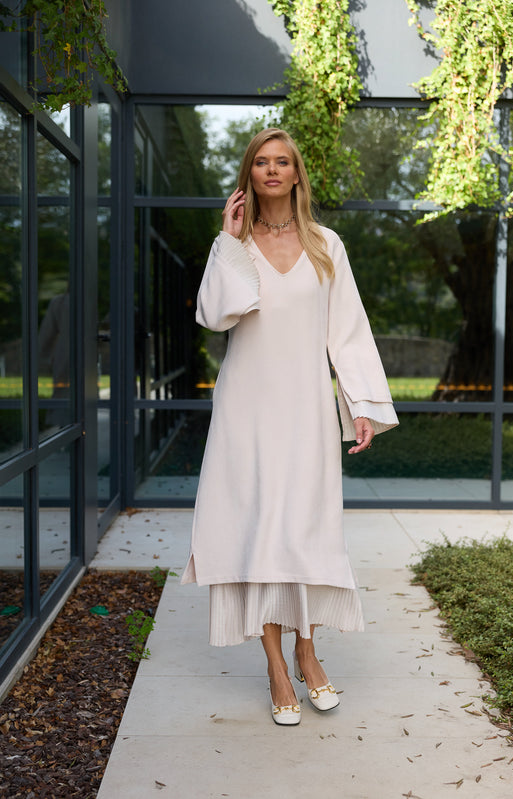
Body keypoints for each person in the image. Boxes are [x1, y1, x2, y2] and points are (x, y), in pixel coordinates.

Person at [182, 128, 398, 725]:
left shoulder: (326, 245)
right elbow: (213, 315)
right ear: (249, 174)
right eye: (261, 162)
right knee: (259, 531)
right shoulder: (233, 245)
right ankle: (277, 665)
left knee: (305, 531)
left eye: (282, 162)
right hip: (246, 410)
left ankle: (308, 650)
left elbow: (347, 331)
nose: (272, 170)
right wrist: (227, 242)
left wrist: (361, 404)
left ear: (297, 173)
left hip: (306, 409)